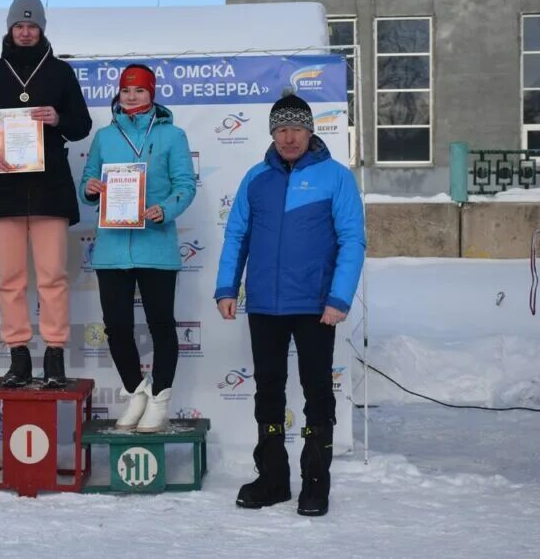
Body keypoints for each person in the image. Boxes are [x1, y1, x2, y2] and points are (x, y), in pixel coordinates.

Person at [214, 93, 365, 517]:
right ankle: (273, 479)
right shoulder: (256, 178)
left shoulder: (336, 177)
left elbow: (353, 240)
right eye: (281, 129)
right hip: (264, 304)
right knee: (268, 390)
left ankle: (315, 483)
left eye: (296, 128)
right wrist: (227, 288)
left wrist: (338, 298)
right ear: (272, 133)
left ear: (310, 130)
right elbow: (236, 236)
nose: (289, 137)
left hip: (316, 305)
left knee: (317, 390)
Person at [0, 0, 92, 387]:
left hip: (48, 188)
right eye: (19, 26)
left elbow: (81, 125)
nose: (24, 32)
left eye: (31, 26)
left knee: (53, 276)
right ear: (9, 29)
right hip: (3, 189)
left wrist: (58, 117)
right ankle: (19, 356)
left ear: (41, 29)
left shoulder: (60, 73)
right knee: (10, 278)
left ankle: (54, 354)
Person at [79, 64, 196, 432]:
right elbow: (88, 179)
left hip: (155, 245)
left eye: (140, 91)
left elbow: (185, 186)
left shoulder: (172, 135)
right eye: (126, 91)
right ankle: (136, 392)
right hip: (113, 248)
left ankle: (160, 397)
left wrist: (166, 209)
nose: (132, 97)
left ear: (152, 94)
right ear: (119, 94)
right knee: (116, 327)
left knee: (161, 325)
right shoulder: (104, 136)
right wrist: (91, 188)